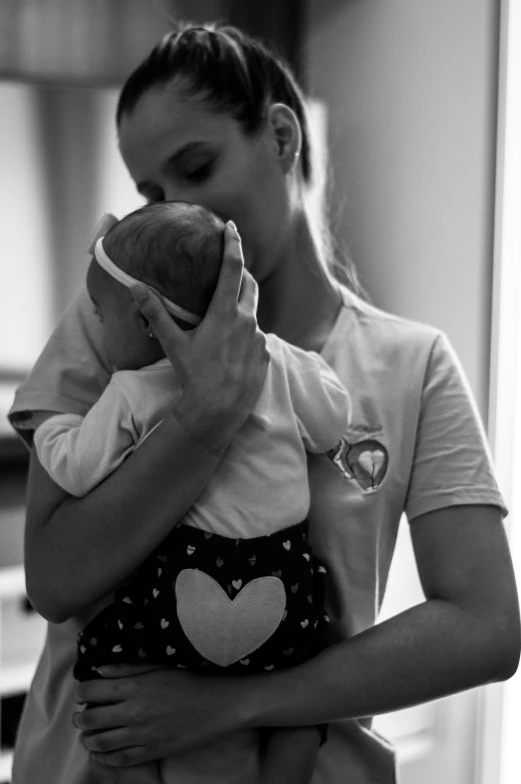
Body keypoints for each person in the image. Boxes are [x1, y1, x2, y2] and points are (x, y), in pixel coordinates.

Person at [10, 22, 520, 784]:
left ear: (280, 136)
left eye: (195, 167)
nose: (175, 207)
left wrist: (234, 703)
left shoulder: (409, 364)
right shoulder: (113, 326)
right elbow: (54, 581)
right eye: (151, 192)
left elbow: (484, 629)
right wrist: (207, 414)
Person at [33, 199, 350, 783]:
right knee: (311, 671)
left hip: (180, 591)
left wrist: (55, 430)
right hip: (280, 582)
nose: (98, 337)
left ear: (144, 318)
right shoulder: (272, 358)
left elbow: (78, 470)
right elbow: (331, 422)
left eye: (102, 319)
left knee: (106, 668)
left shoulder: (132, 391)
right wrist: (289, 357)